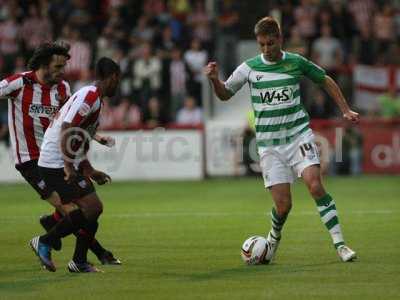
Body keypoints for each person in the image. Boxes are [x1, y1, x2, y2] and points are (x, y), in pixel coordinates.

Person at [204, 16, 359, 263]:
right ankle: (273, 238)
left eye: (271, 43)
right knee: (283, 206)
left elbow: (326, 80)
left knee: (315, 185)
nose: (266, 49)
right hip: (270, 146)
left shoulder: (296, 62)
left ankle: (340, 244)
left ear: (280, 39)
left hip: (298, 136)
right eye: (262, 44)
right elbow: (225, 94)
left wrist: (345, 109)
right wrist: (214, 80)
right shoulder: (249, 68)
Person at [0, 42, 120, 266]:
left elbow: (70, 120)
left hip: (56, 154)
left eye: (64, 66)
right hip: (30, 160)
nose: (62, 71)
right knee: (74, 211)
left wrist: (95, 137)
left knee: (83, 209)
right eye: (57, 66)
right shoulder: (18, 83)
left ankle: (65, 237)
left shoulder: (63, 88)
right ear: (44, 64)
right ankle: (92, 254)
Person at [30, 57, 121, 273]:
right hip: (55, 162)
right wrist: (69, 167)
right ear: (113, 78)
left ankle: (78, 260)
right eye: (119, 80)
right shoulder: (89, 95)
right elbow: (67, 127)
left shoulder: (95, 100)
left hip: (62, 160)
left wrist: (90, 170)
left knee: (91, 214)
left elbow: (79, 140)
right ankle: (46, 240)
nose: (119, 85)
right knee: (92, 208)